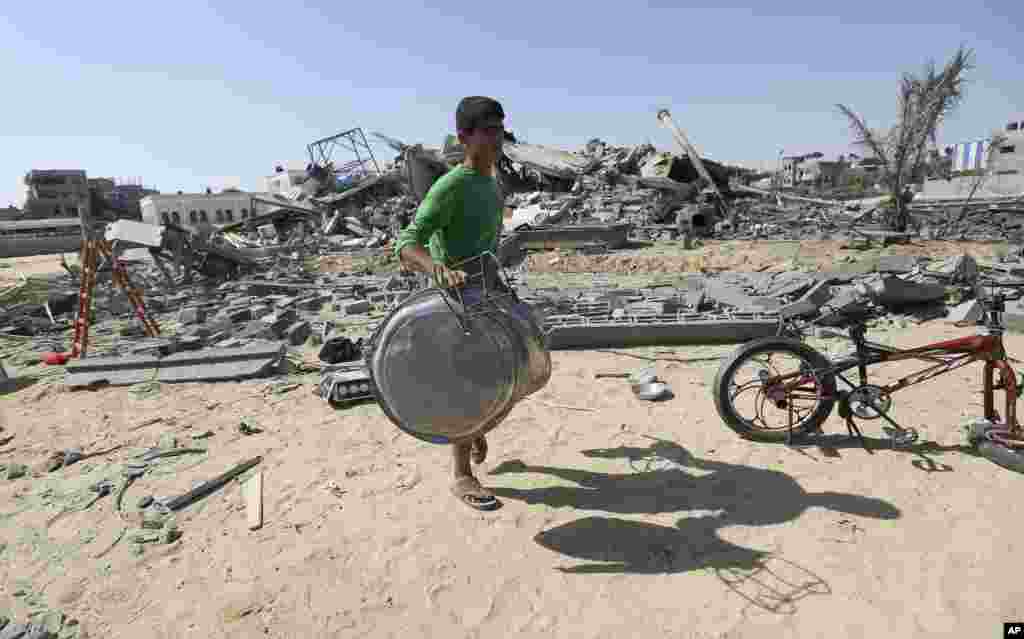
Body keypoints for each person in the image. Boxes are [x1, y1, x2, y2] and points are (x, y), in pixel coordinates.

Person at [394, 96, 511, 511]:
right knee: (467, 385)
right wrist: (437, 269)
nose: (498, 139)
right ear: (464, 137)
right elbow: (407, 243)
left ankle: (475, 427)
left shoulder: (493, 182)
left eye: (500, 130)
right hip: (455, 303)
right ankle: (462, 474)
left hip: (488, 296)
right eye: (488, 131)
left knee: (504, 378)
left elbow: (487, 240)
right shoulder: (451, 186)